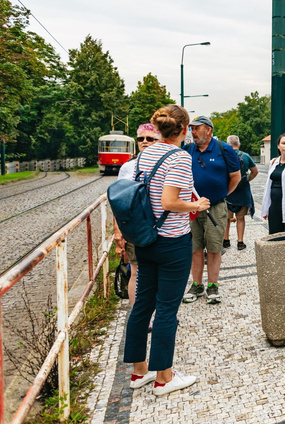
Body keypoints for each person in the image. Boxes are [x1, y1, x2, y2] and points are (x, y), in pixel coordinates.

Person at [123, 104, 210, 396]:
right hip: (172, 243)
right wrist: (196, 205)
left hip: (145, 240)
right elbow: (170, 201)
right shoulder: (179, 157)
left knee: (142, 306)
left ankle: (138, 372)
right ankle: (164, 378)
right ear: (184, 130)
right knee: (166, 310)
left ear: (158, 129)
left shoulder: (144, 155)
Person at [182, 116, 241, 304]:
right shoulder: (187, 150)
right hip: (192, 208)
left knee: (214, 247)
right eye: (191, 129)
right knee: (195, 247)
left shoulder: (224, 149)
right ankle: (197, 284)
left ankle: (213, 285)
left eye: (196, 128)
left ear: (208, 130)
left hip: (215, 206)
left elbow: (235, 177)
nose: (192, 132)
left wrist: (220, 195)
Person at [114, 123, 162, 307]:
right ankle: (139, 314)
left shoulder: (166, 163)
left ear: (159, 141)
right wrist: (118, 231)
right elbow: (119, 201)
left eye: (150, 138)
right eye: (141, 138)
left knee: (159, 272)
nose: (145, 142)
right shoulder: (128, 167)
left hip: (160, 226)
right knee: (136, 271)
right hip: (136, 227)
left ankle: (160, 312)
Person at [223, 135, 258, 250]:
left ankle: (226, 240)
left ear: (228, 144)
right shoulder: (246, 156)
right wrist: (247, 180)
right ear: (239, 144)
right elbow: (255, 171)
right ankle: (240, 242)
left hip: (227, 191)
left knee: (226, 218)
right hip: (243, 191)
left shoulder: (224, 155)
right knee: (241, 218)